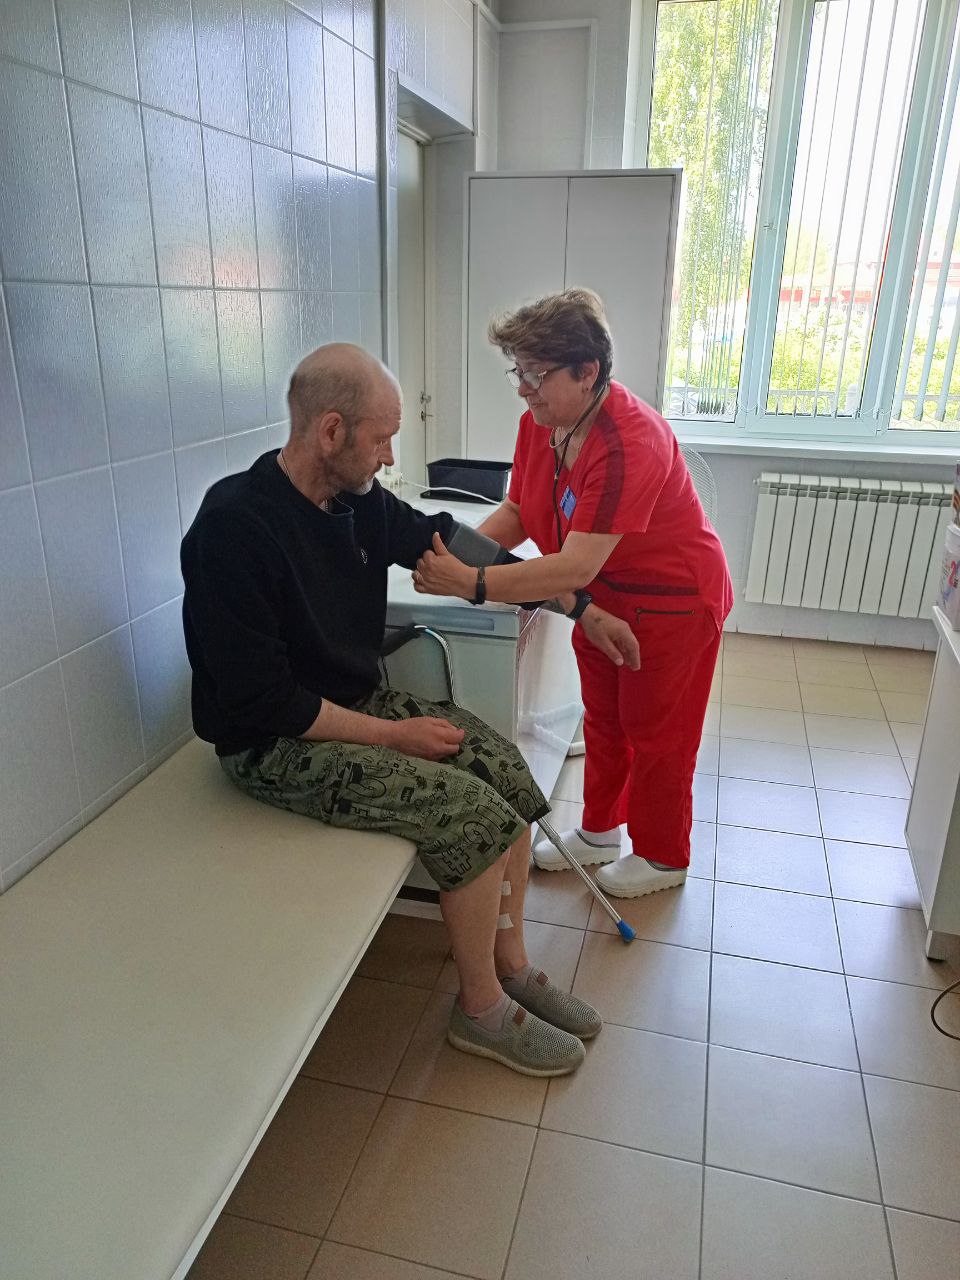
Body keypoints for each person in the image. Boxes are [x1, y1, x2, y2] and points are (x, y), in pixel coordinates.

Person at [180, 342, 616, 1078]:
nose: (389, 456)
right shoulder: (234, 529)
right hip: (271, 742)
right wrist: (393, 735)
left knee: (506, 770)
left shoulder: (354, 503)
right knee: (469, 816)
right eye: (382, 439)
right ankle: (479, 1010)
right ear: (331, 432)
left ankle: (509, 964)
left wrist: (575, 604)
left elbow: (443, 539)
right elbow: (267, 701)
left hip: (352, 703)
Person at [414, 289, 733, 898]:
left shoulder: (628, 441)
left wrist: (474, 583)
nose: (522, 390)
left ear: (588, 371)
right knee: (606, 720)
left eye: (535, 375)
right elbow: (520, 510)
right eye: (517, 372)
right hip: (599, 598)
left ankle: (664, 856)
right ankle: (600, 831)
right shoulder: (543, 425)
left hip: (674, 601)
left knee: (659, 734)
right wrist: (459, 551)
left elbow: (572, 565)